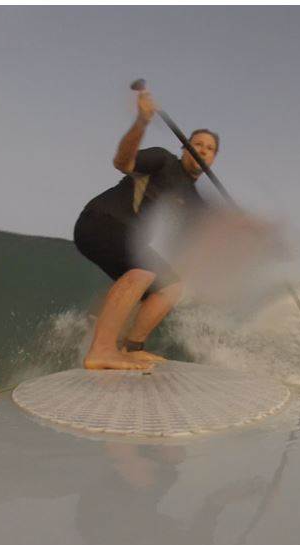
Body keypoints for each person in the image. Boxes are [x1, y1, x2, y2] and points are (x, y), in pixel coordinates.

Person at [73, 87, 219, 370]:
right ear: (184, 148)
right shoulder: (163, 160)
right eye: (197, 144)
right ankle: (101, 350)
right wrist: (141, 122)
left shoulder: (194, 199)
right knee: (143, 269)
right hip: (100, 221)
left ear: (213, 158)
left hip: (129, 239)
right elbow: (122, 162)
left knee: (171, 286)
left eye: (209, 148)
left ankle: (132, 347)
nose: (202, 150)